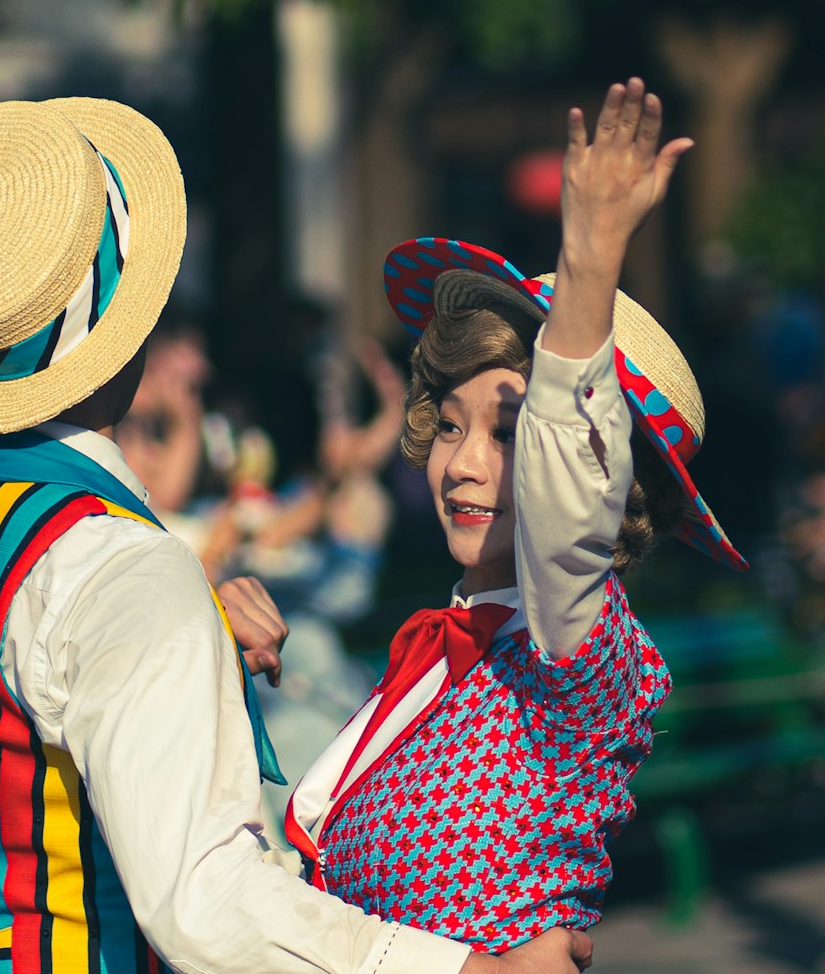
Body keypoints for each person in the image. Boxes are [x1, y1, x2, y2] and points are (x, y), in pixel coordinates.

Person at [0, 98, 591, 974]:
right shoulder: (115, 568)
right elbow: (205, 905)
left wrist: (185, 625)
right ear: (126, 331)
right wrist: (473, 972)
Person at [285, 79, 746, 951]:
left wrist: (590, 259)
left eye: (509, 434)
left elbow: (568, 501)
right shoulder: (444, 652)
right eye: (449, 424)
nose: (462, 465)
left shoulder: (578, 648)